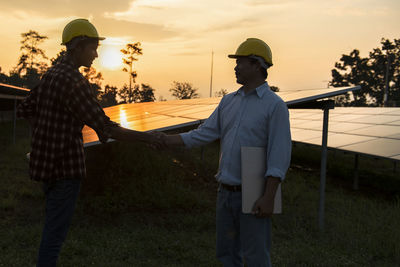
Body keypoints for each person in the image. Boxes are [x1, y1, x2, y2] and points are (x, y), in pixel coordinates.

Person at [17, 18, 164, 267]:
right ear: (77, 46)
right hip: (65, 170)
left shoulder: (52, 74)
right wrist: (150, 137)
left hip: (46, 168)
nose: (96, 55)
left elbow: (27, 108)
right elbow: (105, 127)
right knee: (54, 237)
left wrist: (43, 134)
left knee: (51, 231)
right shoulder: (73, 82)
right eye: (93, 48)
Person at [163, 38, 291, 266]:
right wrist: (167, 140)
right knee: (226, 255)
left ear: (256, 65)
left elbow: (278, 155)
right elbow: (203, 134)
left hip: (254, 190)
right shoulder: (229, 101)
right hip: (225, 190)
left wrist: (269, 196)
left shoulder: (274, 106)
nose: (235, 67)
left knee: (255, 257)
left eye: (240, 62)